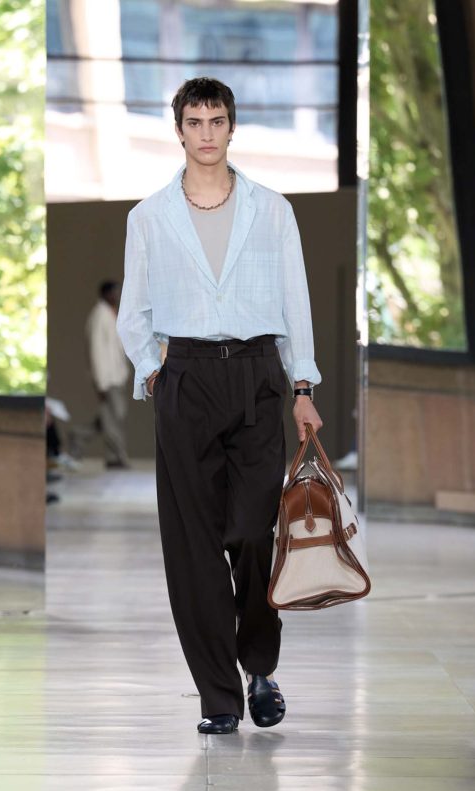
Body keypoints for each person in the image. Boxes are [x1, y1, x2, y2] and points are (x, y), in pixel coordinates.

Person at [117, 77, 322, 735]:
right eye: (195, 121)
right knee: (193, 546)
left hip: (259, 375)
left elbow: (295, 301)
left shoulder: (272, 210)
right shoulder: (149, 217)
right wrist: (155, 373)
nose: (206, 133)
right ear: (178, 129)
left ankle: (259, 664)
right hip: (187, 379)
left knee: (252, 532)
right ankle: (220, 697)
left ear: (232, 127)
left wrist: (302, 387)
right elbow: (134, 311)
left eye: (217, 121)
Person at [86, 280, 130, 468]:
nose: (117, 296)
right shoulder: (99, 315)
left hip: (117, 376)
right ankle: (118, 457)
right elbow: (96, 350)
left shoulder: (112, 314)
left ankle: (77, 437)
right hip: (108, 378)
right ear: (105, 293)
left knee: (111, 417)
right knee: (113, 419)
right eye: (114, 292)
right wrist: (100, 381)